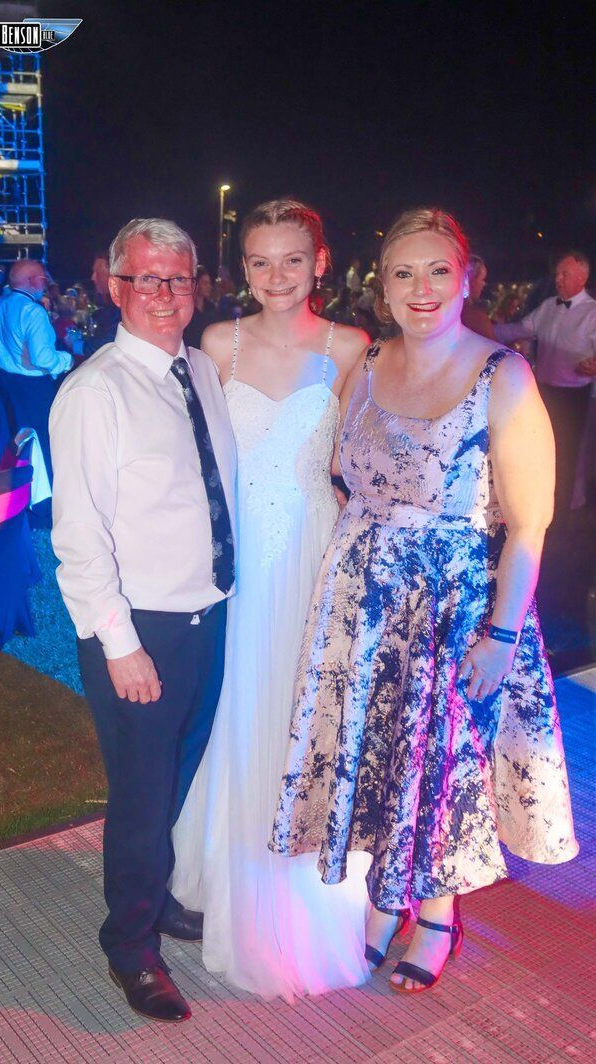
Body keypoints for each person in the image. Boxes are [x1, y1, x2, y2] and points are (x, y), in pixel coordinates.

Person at [271, 207, 577, 995]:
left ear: (468, 279)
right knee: (380, 752)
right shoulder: (369, 362)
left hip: (455, 608)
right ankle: (386, 897)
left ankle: (436, 914)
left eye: (439, 270)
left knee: (440, 765)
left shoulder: (504, 375)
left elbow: (530, 523)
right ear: (382, 286)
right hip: (365, 599)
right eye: (403, 273)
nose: (422, 288)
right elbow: (336, 471)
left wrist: (500, 636)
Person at [171, 199, 371, 1000]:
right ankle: (229, 874)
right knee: (238, 709)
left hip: (313, 552)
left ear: (320, 262)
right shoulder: (215, 343)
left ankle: (304, 890)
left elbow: (361, 454)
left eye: (293, 259)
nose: (277, 275)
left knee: (304, 714)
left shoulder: (351, 347)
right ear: (242, 267)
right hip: (238, 557)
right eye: (260, 260)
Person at [50, 218, 236, 1024]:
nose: (164, 293)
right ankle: (129, 945)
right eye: (146, 278)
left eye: (178, 278)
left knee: (173, 781)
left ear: (197, 285)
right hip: (141, 632)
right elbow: (78, 536)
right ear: (115, 287)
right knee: (139, 795)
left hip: (206, 616)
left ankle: (153, 901)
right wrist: (119, 645)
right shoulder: (94, 392)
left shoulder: (200, 371)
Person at [494, 251, 596, 518]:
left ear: (582, 278)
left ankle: (559, 512)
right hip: (543, 390)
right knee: (539, 448)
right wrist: (482, 330)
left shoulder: (592, 313)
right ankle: (538, 505)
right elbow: (519, 329)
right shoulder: (549, 305)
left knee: (566, 453)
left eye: (565, 274)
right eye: (557, 274)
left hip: (573, 395)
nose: (558, 279)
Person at [0, 259, 72, 483]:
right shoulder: (32, 311)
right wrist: (66, 360)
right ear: (32, 281)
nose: (46, 283)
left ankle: (10, 485)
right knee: (39, 442)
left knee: (9, 439)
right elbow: (43, 358)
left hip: (4, 381)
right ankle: (40, 492)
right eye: (43, 278)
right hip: (32, 388)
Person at [461, 254, 495, 339]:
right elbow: (491, 346)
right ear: (470, 280)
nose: (484, 284)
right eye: (482, 279)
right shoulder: (475, 317)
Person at [183, 266, 217, 349]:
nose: (209, 286)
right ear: (195, 284)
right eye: (205, 283)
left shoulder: (211, 308)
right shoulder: (186, 309)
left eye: (209, 283)